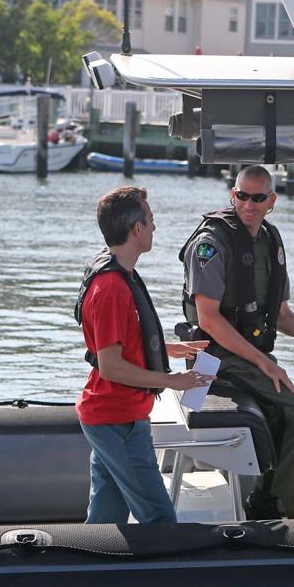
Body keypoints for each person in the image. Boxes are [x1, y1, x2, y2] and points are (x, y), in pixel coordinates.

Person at [179, 166, 294, 520]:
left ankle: (288, 508)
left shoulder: (270, 241)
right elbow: (209, 320)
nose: (249, 204)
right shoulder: (210, 244)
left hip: (247, 358)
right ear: (233, 195)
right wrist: (265, 363)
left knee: (287, 414)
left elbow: (282, 316)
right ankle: (275, 505)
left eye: (258, 197)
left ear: (271, 201)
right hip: (211, 360)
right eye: (242, 196)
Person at [74, 186, 211, 525]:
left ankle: (89, 559)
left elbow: (121, 345)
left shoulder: (122, 274)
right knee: (160, 520)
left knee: (105, 518)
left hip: (117, 417)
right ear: (137, 228)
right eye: (151, 220)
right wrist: (173, 381)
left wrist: (166, 350)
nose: (154, 227)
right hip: (117, 420)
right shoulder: (110, 288)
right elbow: (110, 366)